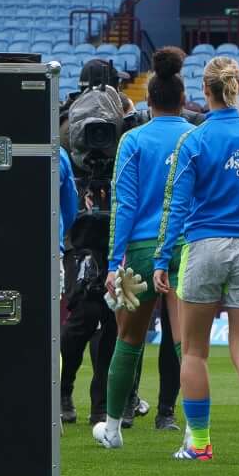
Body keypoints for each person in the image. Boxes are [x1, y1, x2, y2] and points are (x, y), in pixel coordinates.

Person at [150, 56, 239, 464]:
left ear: (205, 91)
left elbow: (176, 204)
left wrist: (162, 257)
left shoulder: (194, 141)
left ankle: (200, 443)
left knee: (194, 351)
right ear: (238, 88)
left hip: (205, 246)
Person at [94, 49, 192, 447]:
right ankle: (195, 432)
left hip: (139, 250)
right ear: (183, 99)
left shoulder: (133, 140)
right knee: (187, 344)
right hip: (185, 248)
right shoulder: (195, 137)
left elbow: (125, 204)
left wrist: (113, 262)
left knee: (128, 340)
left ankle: (112, 429)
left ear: (148, 100)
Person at [55, 112, 120, 424]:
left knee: (111, 320)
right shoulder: (65, 146)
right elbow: (67, 202)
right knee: (84, 316)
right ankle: (63, 390)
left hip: (113, 239)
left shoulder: (123, 140)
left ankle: (102, 405)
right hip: (80, 241)